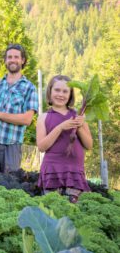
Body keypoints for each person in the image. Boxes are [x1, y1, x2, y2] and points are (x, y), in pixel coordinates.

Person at [0, 44, 38, 173]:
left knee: (9, 185)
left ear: (22, 60)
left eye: (16, 57)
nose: (12, 60)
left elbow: (27, 119)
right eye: (9, 57)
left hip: (12, 144)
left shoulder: (29, 87)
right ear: (5, 61)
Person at [37, 75, 92, 203]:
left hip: (74, 172)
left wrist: (78, 126)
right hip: (52, 171)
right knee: (53, 210)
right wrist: (60, 127)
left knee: (73, 212)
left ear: (70, 95)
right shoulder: (43, 117)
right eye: (57, 90)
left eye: (65, 91)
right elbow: (41, 147)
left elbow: (89, 145)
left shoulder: (78, 116)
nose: (60, 94)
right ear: (50, 91)